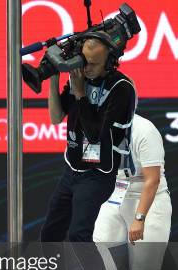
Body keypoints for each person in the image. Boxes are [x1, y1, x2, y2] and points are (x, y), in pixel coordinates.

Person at [40, 32, 137, 243]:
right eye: (84, 61)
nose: (86, 68)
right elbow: (56, 117)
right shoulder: (79, 76)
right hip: (71, 170)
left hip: (98, 174)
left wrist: (80, 93)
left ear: (110, 63)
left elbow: (95, 136)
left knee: (78, 235)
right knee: (50, 233)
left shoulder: (121, 89)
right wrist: (54, 78)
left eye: (94, 64)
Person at [94, 114, 172, 270]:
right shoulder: (95, 124)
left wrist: (140, 218)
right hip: (118, 192)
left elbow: (152, 180)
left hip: (150, 198)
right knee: (97, 242)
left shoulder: (144, 129)